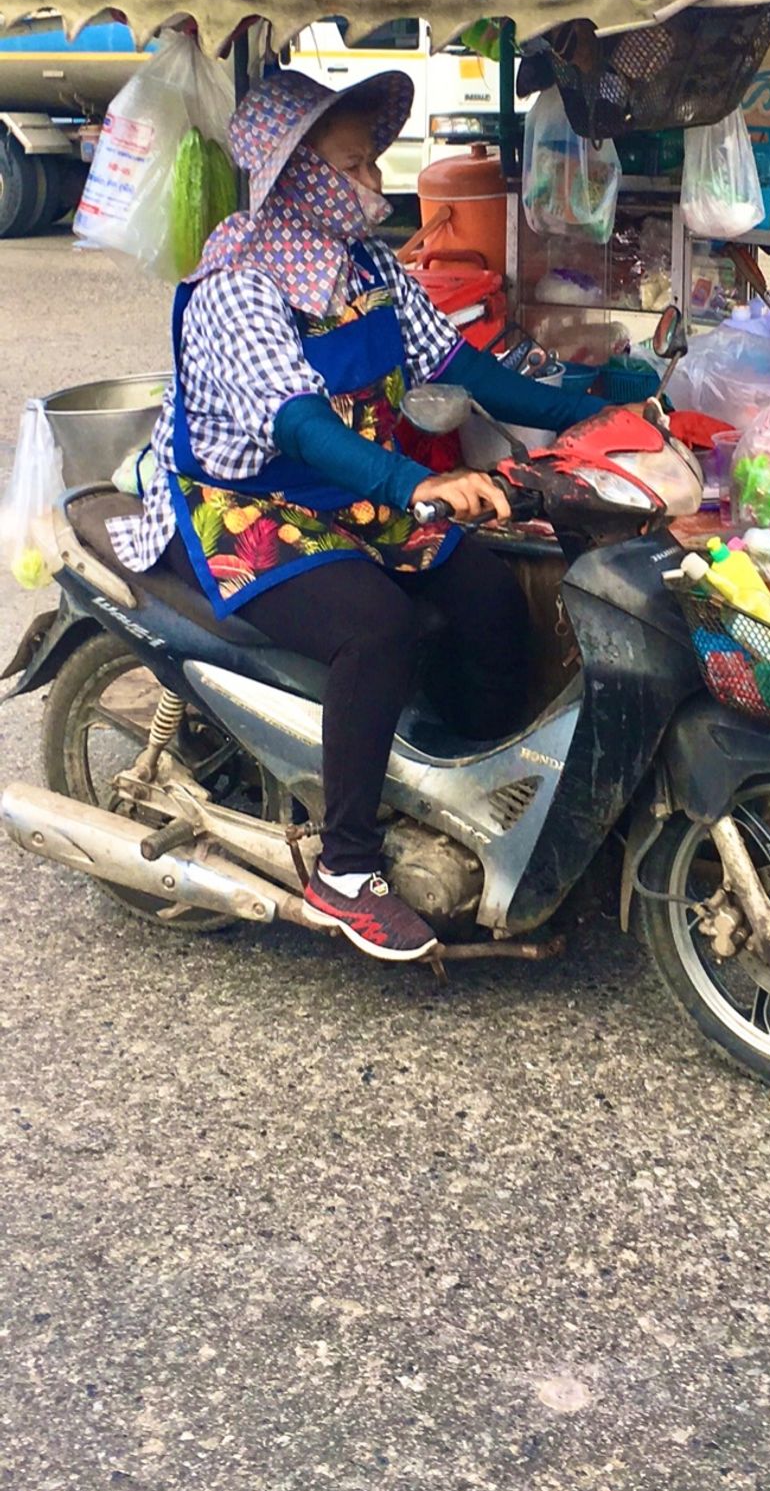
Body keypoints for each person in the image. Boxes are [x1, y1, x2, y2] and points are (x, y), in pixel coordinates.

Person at [109, 70, 599, 963]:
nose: (372, 180)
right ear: (295, 173)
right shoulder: (237, 287)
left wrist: (593, 407)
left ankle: (471, 808)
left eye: (371, 161)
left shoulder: (368, 268)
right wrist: (416, 484)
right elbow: (296, 425)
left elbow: (460, 367)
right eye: (351, 164)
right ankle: (346, 870)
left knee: (486, 588)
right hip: (246, 505)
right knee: (376, 626)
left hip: (351, 492)